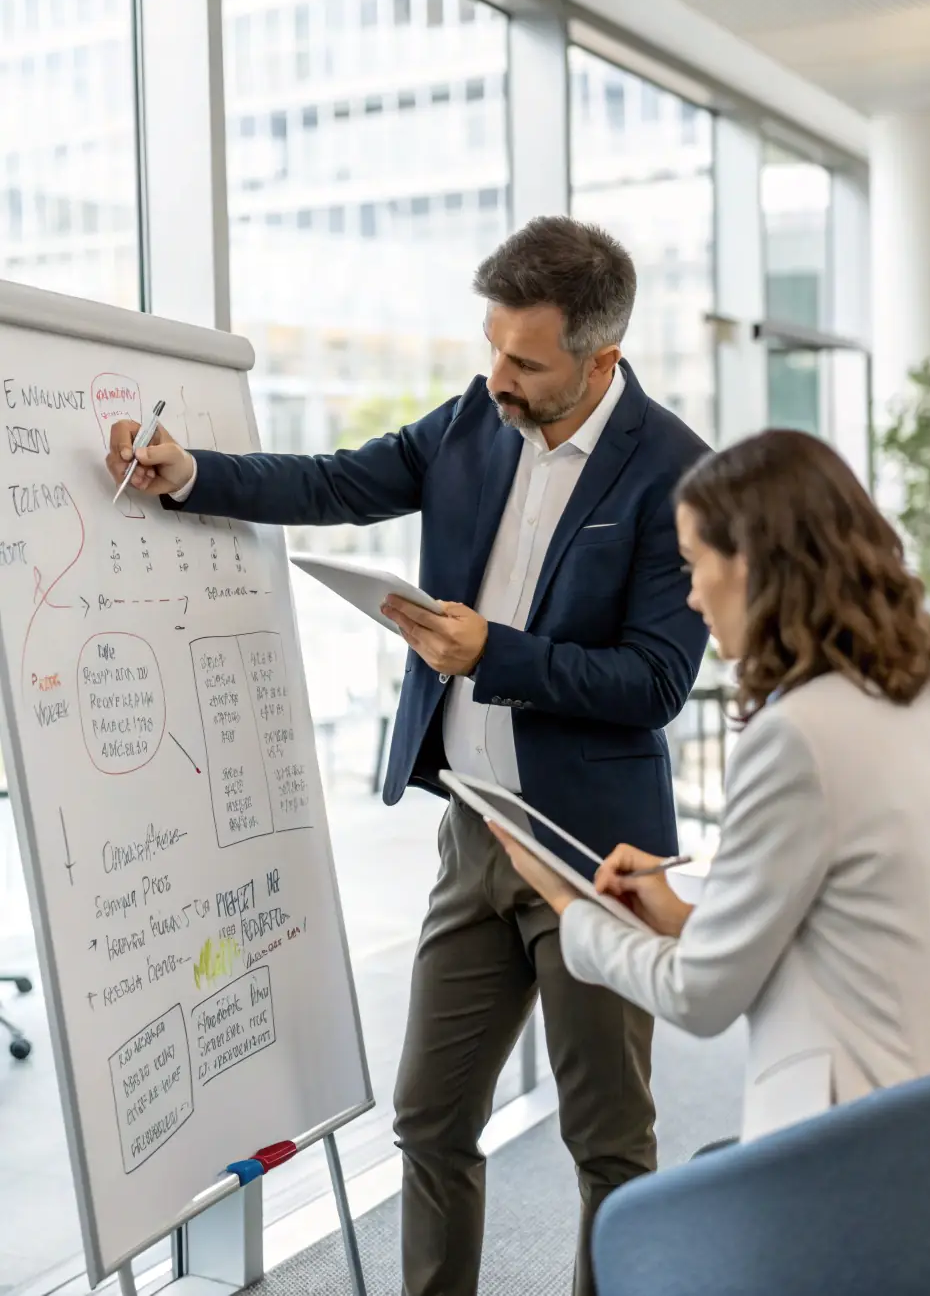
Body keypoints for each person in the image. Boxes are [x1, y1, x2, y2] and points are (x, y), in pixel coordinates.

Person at [105, 216, 710, 1296]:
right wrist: (191, 473)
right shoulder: (475, 420)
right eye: (492, 347)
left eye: (525, 360)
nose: (498, 378)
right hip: (476, 831)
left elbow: (655, 681)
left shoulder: (677, 474)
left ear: (601, 358)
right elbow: (339, 482)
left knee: (608, 1149)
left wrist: (498, 653)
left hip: (596, 859)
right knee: (429, 1119)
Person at [493, 428, 930, 1145]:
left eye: (693, 563)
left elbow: (700, 995)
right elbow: (854, 921)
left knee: (653, 1233)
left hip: (875, 1135)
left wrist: (570, 906)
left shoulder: (795, 736)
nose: (689, 594)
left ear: (753, 564)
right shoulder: (923, 699)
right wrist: (683, 919)